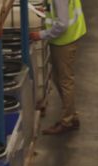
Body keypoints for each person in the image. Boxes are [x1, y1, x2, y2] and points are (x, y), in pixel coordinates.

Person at [29, 0, 87, 135]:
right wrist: (47, 11)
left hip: (65, 40)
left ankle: (67, 121)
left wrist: (41, 35)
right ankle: (71, 115)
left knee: (65, 81)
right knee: (58, 78)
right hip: (63, 39)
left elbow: (62, 24)